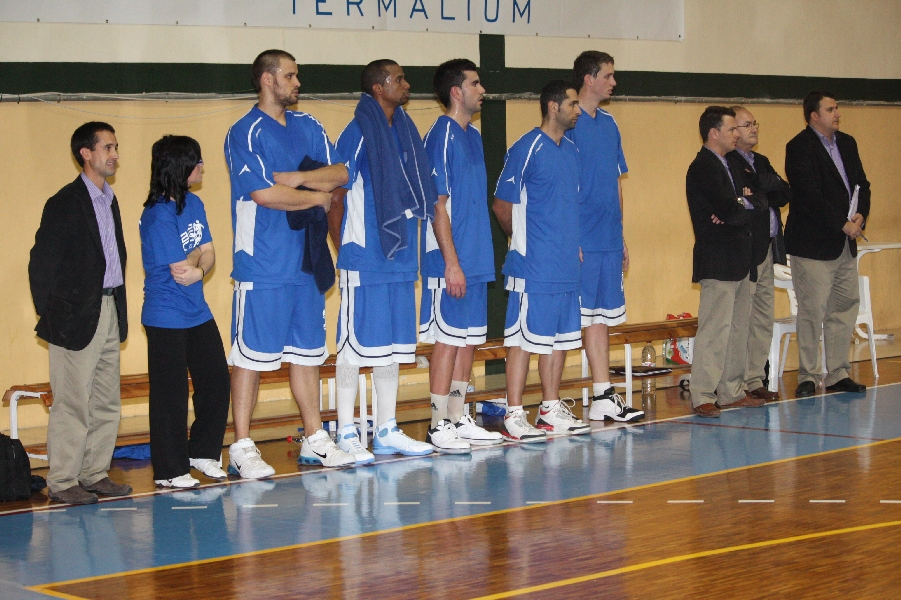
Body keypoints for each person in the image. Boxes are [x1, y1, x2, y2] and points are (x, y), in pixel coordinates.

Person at [224, 49, 355, 476]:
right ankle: (242, 446)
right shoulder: (245, 132)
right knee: (251, 357)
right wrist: (316, 197)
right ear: (268, 79)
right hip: (262, 264)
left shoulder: (309, 125)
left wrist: (298, 179)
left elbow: (341, 173)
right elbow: (264, 194)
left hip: (307, 261)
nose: (297, 83)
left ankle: (315, 438)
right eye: (290, 76)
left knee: (307, 354)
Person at [328, 59, 437, 462]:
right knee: (353, 348)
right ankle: (345, 431)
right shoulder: (358, 132)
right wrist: (347, 249)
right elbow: (335, 197)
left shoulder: (405, 130)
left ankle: (387, 429)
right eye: (399, 79)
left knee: (392, 347)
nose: (407, 84)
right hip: (365, 257)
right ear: (378, 87)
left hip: (400, 256)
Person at [29, 121, 133, 504]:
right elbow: (41, 264)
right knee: (72, 402)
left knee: (106, 402)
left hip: (108, 308)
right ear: (86, 153)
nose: (115, 154)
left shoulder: (109, 200)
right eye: (107, 147)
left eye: (116, 147)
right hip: (74, 317)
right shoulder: (64, 202)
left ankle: (94, 473)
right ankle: (62, 481)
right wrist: (55, 315)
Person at [492, 79, 590, 442]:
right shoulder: (527, 147)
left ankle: (549, 408)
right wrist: (522, 240)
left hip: (565, 266)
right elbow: (501, 205)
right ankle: (514, 413)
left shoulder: (572, 151)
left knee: (559, 340)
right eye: (573, 104)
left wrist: (572, 245)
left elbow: (568, 206)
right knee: (521, 340)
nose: (578, 110)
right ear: (553, 106)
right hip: (532, 266)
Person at [419, 59, 503, 453]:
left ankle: (457, 415)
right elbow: (437, 204)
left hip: (476, 257)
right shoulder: (441, 135)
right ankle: (437, 424)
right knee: (447, 341)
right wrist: (451, 263)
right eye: (475, 83)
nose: (482, 90)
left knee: (468, 341)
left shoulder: (473, 136)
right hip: (448, 260)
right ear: (456, 91)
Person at [140, 135, 231, 488]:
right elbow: (181, 270)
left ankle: (202, 453)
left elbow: (209, 254)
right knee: (170, 395)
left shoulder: (194, 203)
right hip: (165, 315)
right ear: (179, 166)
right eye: (196, 160)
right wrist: (197, 262)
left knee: (216, 381)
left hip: (196, 311)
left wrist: (200, 268)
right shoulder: (157, 214)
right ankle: (170, 470)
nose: (202, 166)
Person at [568, 51, 644, 423]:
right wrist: (570, 236)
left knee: (600, 318)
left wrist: (621, 234)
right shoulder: (568, 122)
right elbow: (561, 184)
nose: (614, 82)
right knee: (573, 318)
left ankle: (603, 394)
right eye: (608, 76)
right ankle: (545, 403)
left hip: (608, 239)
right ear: (589, 78)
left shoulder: (610, 124)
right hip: (579, 240)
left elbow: (615, 183)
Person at [784, 91, 871, 398]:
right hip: (813, 244)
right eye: (831, 109)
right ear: (814, 116)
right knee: (812, 310)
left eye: (837, 108)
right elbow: (808, 195)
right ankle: (808, 375)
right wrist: (842, 222)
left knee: (844, 307)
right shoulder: (799, 146)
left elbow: (862, 185)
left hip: (845, 242)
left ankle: (837, 373)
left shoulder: (847, 143)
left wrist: (860, 215)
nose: (837, 113)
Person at [685, 106, 766, 418]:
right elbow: (730, 210)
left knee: (738, 329)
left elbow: (759, 199)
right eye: (731, 129)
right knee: (715, 329)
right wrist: (737, 206)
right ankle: (703, 393)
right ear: (713, 133)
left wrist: (740, 203)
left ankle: (731, 391)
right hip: (718, 259)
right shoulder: (702, 167)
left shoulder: (732, 163)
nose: (737, 134)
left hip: (741, 258)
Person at [727, 106, 791, 401]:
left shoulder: (761, 161)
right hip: (746, 249)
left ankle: (755, 378)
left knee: (764, 317)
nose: (754, 129)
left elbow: (784, 193)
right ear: (732, 130)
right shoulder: (729, 161)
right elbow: (746, 198)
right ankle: (736, 381)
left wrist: (762, 189)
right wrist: (765, 189)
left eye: (755, 123)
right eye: (746, 124)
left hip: (768, 247)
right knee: (743, 317)